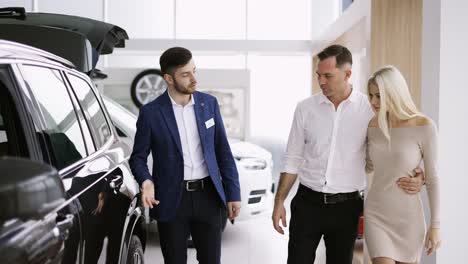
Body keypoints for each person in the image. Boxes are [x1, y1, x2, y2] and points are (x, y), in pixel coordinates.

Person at [271, 44, 424, 264]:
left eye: (328, 76)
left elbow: (401, 147)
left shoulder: (369, 110)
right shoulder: (305, 108)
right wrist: (279, 202)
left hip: (347, 208)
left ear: (348, 74)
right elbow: (292, 158)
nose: (321, 81)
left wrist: (421, 176)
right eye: (318, 75)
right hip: (307, 203)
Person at [129, 47, 241, 264]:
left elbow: (223, 151)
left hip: (208, 196)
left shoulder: (208, 104)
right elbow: (138, 157)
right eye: (185, 74)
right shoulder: (151, 113)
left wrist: (233, 193)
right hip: (172, 199)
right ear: (169, 78)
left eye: (194, 71)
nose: (194, 79)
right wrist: (146, 180)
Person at [365, 65, 441, 264]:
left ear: (394, 93)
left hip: (408, 219)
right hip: (376, 213)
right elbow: (367, 165)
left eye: (379, 96)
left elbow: (433, 178)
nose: (373, 101)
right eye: (371, 95)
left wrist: (436, 226)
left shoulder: (424, 126)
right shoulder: (372, 125)